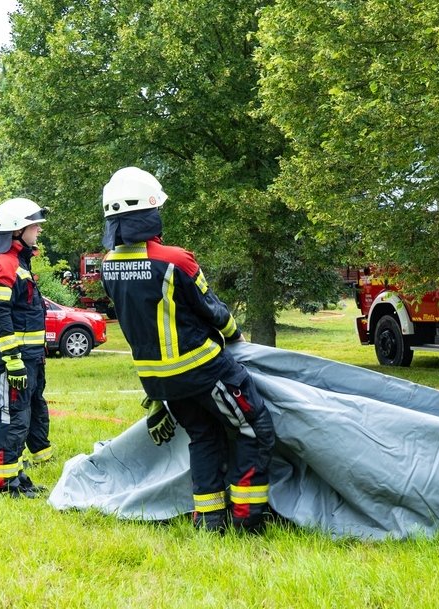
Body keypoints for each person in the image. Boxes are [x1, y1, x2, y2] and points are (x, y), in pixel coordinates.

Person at [99, 166, 276, 533]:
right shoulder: (175, 259)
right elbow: (211, 309)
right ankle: (248, 519)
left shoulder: (108, 265)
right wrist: (236, 336)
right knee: (254, 429)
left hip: (158, 382)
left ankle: (210, 520)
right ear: (149, 212)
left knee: (204, 435)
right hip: (202, 369)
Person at [0, 197, 52, 497]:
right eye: (33, 225)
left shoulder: (18, 262)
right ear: (16, 230)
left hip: (29, 357)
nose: (38, 230)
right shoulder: (6, 265)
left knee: (22, 418)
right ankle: (2, 484)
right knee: (11, 418)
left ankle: (16, 475)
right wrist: (13, 361)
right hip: (13, 359)